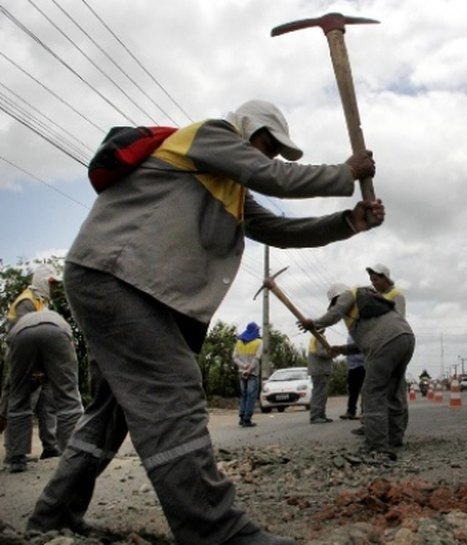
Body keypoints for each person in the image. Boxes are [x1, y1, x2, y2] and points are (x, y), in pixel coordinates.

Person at [26, 99, 382, 545]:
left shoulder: (230, 186)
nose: (268, 157)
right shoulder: (211, 135)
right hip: (117, 276)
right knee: (174, 391)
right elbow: (275, 178)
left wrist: (349, 221)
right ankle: (214, 531)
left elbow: (279, 230)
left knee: (111, 412)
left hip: (125, 284)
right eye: (267, 144)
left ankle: (52, 516)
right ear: (246, 129)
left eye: (274, 151)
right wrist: (346, 173)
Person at [295, 283, 414, 458]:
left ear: (337, 299)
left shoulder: (348, 295)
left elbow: (334, 315)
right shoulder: (370, 303)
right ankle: (395, 438)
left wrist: (312, 323)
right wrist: (342, 349)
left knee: (372, 392)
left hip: (386, 343)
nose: (338, 307)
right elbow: (365, 342)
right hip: (406, 338)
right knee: (393, 391)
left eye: (335, 303)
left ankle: (377, 445)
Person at [2, 309, 83, 473]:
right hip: (57, 330)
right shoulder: (58, 322)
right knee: (68, 396)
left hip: (20, 334)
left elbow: (10, 385)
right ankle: (74, 454)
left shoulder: (18, 326)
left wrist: (3, 410)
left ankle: (16, 458)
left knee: (18, 396)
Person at [1, 264, 64, 461]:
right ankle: (15, 453)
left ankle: (51, 446)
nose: (53, 288)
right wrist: (33, 367)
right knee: (17, 404)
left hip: (39, 362)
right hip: (23, 362)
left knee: (47, 401)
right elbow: (23, 337)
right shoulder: (26, 302)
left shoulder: (40, 302)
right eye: (51, 283)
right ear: (42, 281)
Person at [233, 322, 263, 428]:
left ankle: (241, 417)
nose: (258, 331)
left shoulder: (239, 343)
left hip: (241, 372)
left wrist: (243, 366)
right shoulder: (259, 342)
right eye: (257, 330)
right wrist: (249, 369)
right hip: (252, 373)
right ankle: (247, 419)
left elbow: (235, 358)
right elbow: (257, 358)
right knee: (251, 396)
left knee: (244, 395)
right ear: (255, 331)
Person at [307, 333, 334, 424]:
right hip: (320, 370)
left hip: (318, 370)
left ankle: (321, 415)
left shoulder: (315, 337)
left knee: (322, 394)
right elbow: (321, 353)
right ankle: (316, 416)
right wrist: (331, 353)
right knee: (319, 394)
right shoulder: (319, 338)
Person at [340, 333, 365, 420]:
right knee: (352, 390)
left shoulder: (363, 332)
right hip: (352, 367)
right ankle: (351, 411)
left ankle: (365, 411)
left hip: (363, 365)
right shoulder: (350, 334)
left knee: (365, 389)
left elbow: (362, 349)